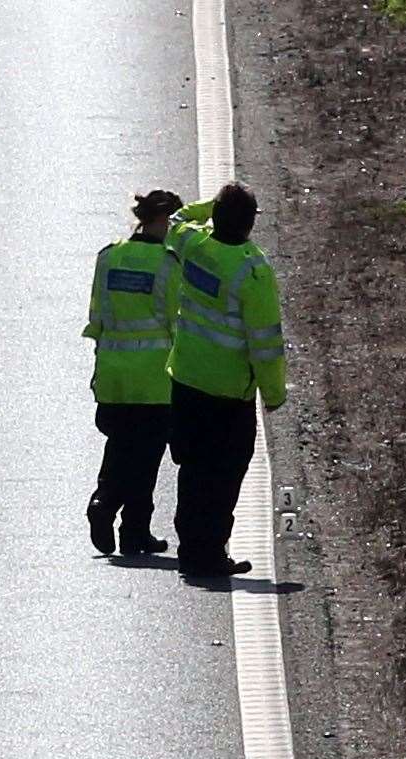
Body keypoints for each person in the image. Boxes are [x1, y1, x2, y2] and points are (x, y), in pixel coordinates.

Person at [165, 182, 287, 575]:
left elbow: (177, 219)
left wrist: (210, 207)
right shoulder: (253, 271)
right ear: (250, 224)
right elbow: (265, 341)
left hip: (186, 380)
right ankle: (210, 553)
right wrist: (273, 393)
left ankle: (190, 547)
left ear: (216, 218)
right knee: (224, 475)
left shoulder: (195, 247)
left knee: (194, 469)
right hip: (228, 394)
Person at [82, 189, 184, 555]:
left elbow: (97, 317)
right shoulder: (168, 265)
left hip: (113, 374)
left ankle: (106, 505)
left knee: (121, 445)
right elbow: (178, 323)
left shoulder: (109, 257)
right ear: (163, 221)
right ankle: (129, 525)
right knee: (146, 455)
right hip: (153, 378)